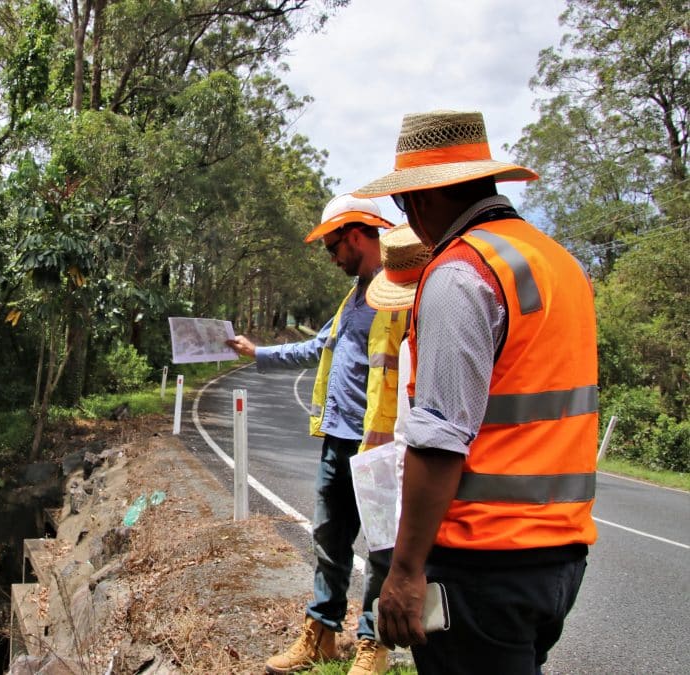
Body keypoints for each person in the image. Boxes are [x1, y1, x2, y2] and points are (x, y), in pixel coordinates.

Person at [354, 109, 599, 674]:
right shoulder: (558, 263)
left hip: (481, 559)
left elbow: (440, 437)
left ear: (419, 200)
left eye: (404, 204)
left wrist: (406, 569)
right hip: (558, 556)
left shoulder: (461, 273)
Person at [225, 193, 404, 675]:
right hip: (338, 441)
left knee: (384, 551)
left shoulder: (402, 289)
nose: (330, 258)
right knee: (328, 541)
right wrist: (258, 354)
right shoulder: (353, 298)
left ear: (354, 237)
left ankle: (373, 644)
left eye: (331, 247)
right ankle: (321, 635)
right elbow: (318, 348)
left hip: (381, 446)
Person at [351, 223, 432, 675]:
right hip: (379, 448)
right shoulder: (378, 309)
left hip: (423, 452)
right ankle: (373, 644)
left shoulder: (443, 313)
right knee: (381, 553)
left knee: (422, 560)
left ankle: (413, 648)